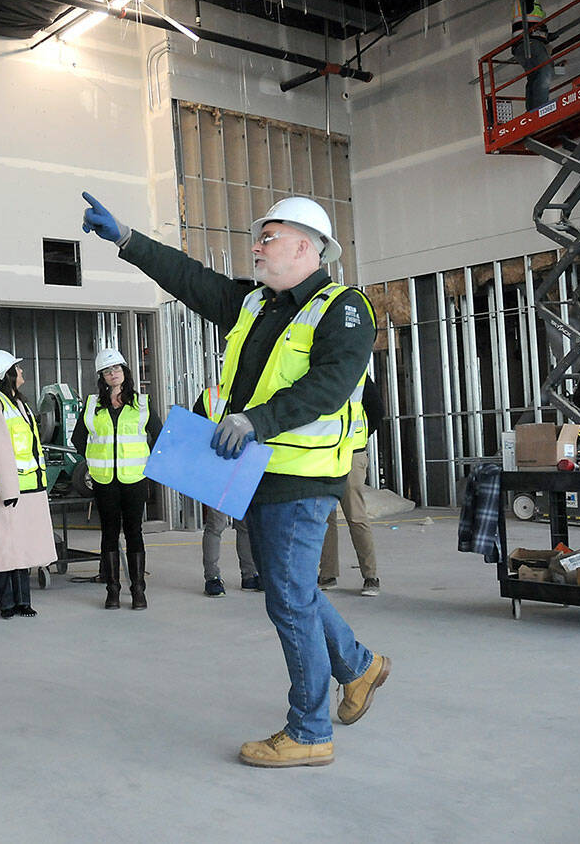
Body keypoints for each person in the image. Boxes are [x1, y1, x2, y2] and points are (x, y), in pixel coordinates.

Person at [83, 191, 389, 768]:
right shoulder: (257, 305)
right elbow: (190, 279)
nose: (257, 245)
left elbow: (329, 385)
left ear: (307, 246)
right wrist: (127, 239)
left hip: (302, 476)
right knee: (289, 588)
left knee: (289, 599)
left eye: (268, 237)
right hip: (256, 474)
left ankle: (310, 730)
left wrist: (257, 420)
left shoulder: (344, 308)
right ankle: (359, 665)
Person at [71, 347, 161, 609]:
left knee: (134, 532)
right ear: (102, 376)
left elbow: (159, 435)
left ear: (125, 372)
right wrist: (93, 456)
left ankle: (138, 592)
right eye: (108, 371)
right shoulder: (92, 405)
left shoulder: (142, 403)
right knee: (109, 533)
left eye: (117, 369)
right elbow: (78, 439)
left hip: (134, 479)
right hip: (104, 479)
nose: (113, 374)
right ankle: (112, 591)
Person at [0, 349, 56, 618]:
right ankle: (7, 604)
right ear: (5, 374)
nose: (21, 372)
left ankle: (23, 601)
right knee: (3, 549)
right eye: (16, 369)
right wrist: (9, 490)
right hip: (5, 490)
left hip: (26, 488)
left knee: (21, 547)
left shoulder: (16, 402)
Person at [319, 384, 385, 596]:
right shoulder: (320, 372)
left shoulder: (359, 376)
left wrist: (361, 436)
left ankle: (371, 576)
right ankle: (327, 574)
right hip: (324, 454)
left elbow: (376, 411)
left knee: (355, 515)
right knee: (324, 518)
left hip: (351, 453)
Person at [193, 383, 259, 594]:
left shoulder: (255, 391)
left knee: (245, 524)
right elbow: (196, 431)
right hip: (217, 468)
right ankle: (212, 577)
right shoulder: (209, 397)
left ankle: (250, 575)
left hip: (244, 466)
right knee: (216, 524)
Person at [513, 0, 552, 110]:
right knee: (545, 71)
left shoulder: (529, 0)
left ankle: (532, 111)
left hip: (523, 45)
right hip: (529, 43)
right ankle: (540, 110)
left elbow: (533, 24)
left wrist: (547, 36)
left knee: (534, 76)